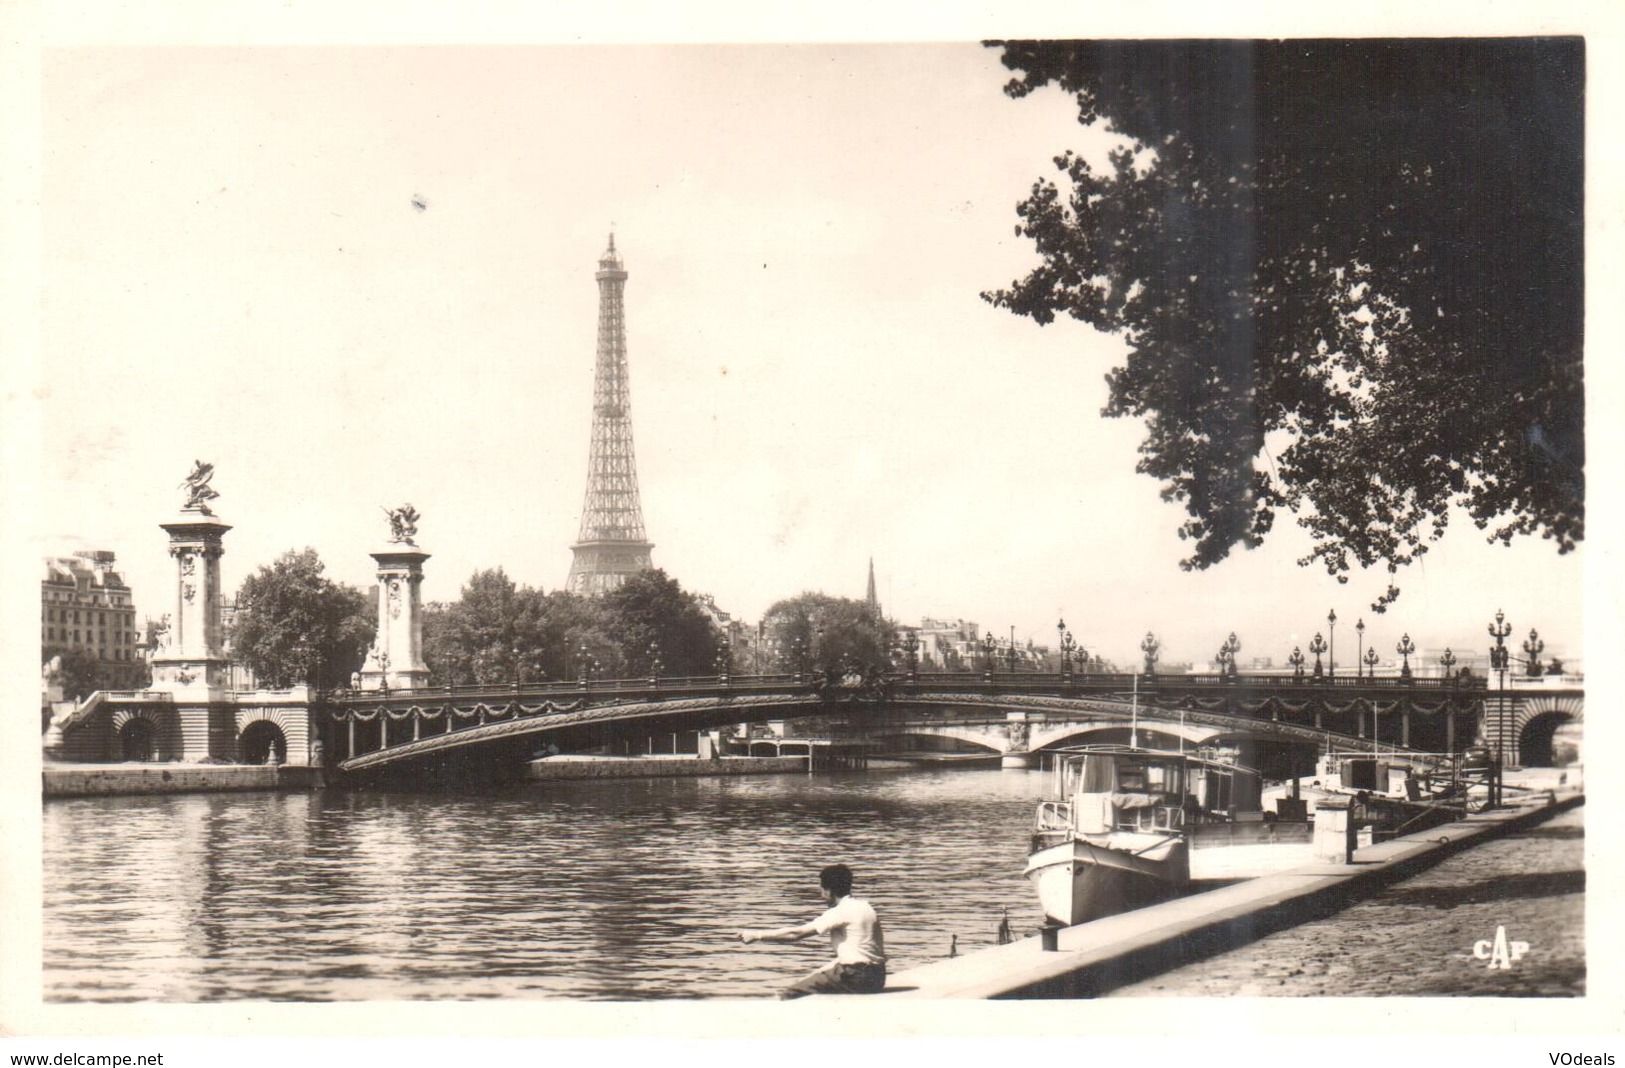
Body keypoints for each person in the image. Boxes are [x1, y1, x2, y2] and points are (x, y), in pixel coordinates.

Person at [737, 863, 886, 999]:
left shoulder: (840, 911)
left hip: (856, 979)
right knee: (813, 978)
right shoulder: (866, 907)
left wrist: (757, 935)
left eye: (821, 890)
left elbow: (796, 934)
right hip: (878, 977)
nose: (821, 895)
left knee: (788, 993)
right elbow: (860, 954)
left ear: (829, 891)